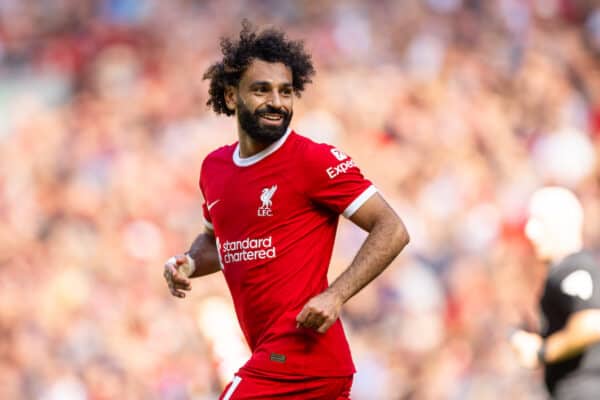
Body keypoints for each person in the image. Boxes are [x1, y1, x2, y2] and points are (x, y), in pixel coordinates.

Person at [162, 21, 410, 400]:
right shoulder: (214, 169)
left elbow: (391, 228)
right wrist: (191, 262)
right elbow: (219, 242)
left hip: (299, 357)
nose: (277, 102)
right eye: (262, 90)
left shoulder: (313, 160)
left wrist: (336, 295)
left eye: (286, 91)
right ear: (231, 96)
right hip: (289, 360)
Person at [510, 186, 600, 399]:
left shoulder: (574, 267)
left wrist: (543, 351)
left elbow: (593, 322)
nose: (531, 231)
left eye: (539, 221)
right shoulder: (565, 270)